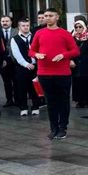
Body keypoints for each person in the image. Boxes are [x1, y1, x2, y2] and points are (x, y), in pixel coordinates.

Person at [28, 8, 80, 140]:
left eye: (50, 15)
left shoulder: (65, 33)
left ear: (57, 17)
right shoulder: (39, 33)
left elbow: (75, 51)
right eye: (45, 16)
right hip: (44, 73)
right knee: (50, 102)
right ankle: (53, 128)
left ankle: (63, 128)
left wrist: (63, 55)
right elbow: (31, 51)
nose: (47, 18)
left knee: (63, 101)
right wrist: (37, 54)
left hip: (62, 73)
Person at [10, 18, 40, 116]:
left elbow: (37, 50)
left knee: (34, 87)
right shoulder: (14, 39)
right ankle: (23, 108)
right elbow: (16, 54)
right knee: (21, 88)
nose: (26, 27)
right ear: (19, 27)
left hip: (34, 66)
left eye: (27, 25)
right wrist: (26, 64)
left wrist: (34, 62)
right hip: (21, 67)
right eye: (23, 25)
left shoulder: (35, 37)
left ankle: (36, 106)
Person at [71, 20, 88, 108]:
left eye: (80, 27)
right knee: (77, 82)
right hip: (75, 63)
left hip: (87, 62)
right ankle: (79, 101)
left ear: (84, 27)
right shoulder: (72, 37)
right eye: (76, 27)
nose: (78, 29)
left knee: (87, 81)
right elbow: (68, 50)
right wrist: (70, 60)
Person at [0, 15, 17, 108]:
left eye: (7, 21)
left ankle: (18, 99)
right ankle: (9, 100)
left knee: (16, 80)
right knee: (6, 81)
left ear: (11, 22)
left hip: (14, 60)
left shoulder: (16, 31)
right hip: (3, 60)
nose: (5, 23)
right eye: (3, 21)